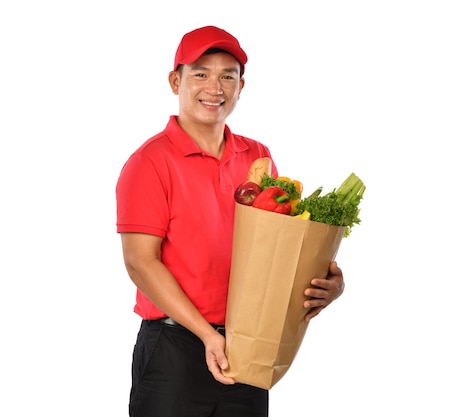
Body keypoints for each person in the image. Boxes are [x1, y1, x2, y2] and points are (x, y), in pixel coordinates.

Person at [115, 25, 345, 417]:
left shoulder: (257, 156)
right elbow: (141, 262)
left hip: (248, 347)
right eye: (200, 74)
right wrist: (205, 334)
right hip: (174, 349)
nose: (214, 86)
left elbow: (278, 247)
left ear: (241, 86)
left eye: (227, 75)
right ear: (176, 81)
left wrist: (329, 282)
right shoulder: (149, 162)